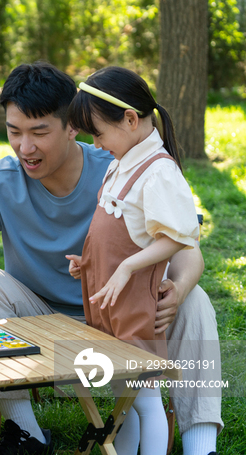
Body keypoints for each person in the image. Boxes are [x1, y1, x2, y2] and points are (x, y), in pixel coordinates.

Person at [0, 62, 222, 455]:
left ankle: (201, 446)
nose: (24, 147)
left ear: (73, 126)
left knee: (196, 301)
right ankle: (28, 435)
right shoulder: (0, 180)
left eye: (39, 132)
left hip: (124, 316)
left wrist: (180, 287)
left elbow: (186, 246)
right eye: (14, 131)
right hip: (41, 326)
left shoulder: (121, 164)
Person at [64, 66, 200, 455]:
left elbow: (176, 236)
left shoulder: (157, 171)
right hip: (112, 306)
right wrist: (88, 263)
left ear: (129, 119)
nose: (95, 142)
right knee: (126, 396)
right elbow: (117, 235)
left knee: (144, 397)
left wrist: (125, 268)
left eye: (99, 132)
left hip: (133, 308)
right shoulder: (119, 162)